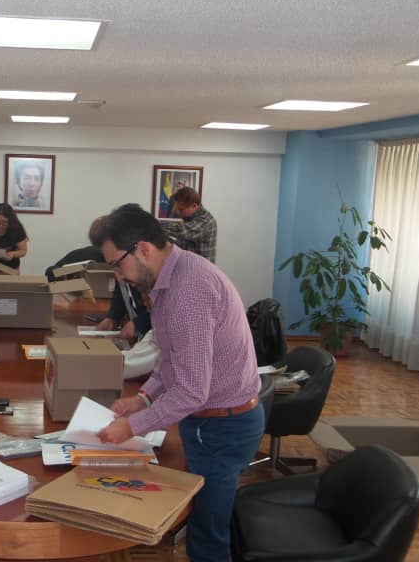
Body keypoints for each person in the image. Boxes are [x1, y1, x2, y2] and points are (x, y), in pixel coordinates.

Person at [95, 203, 263, 562]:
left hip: (223, 426)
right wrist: (143, 397)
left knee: (207, 537)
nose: (118, 276)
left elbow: (191, 391)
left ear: (143, 249)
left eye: (116, 265)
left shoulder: (188, 292)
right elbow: (172, 358)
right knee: (203, 523)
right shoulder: (170, 279)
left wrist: (131, 427)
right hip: (209, 419)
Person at [160, 187, 218, 263]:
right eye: (176, 209)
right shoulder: (189, 219)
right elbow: (183, 245)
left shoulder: (206, 221)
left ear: (194, 206)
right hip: (190, 265)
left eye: (181, 210)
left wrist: (155, 225)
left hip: (200, 269)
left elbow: (181, 230)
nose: (178, 213)